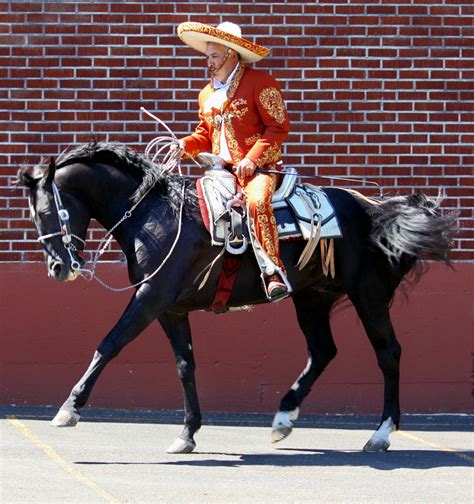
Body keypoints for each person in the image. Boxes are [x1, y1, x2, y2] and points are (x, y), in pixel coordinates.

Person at [177, 21, 291, 300]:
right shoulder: (206, 93)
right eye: (208, 56)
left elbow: (278, 127)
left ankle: (273, 272)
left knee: (256, 202)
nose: (209, 61)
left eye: (215, 56)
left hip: (259, 169)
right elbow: (204, 135)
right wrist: (182, 146)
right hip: (220, 171)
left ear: (232, 54)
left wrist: (252, 159)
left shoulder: (261, 82)